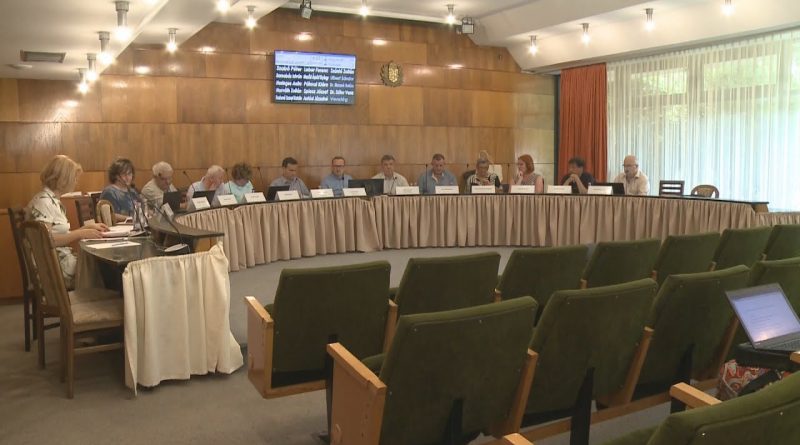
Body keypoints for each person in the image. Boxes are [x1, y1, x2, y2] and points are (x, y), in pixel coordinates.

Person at [27, 155, 108, 289]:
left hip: (60, 260)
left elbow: (57, 234)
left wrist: (85, 229)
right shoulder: (44, 202)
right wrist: (81, 234)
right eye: (74, 178)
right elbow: (46, 239)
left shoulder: (51, 200)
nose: (76, 181)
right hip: (52, 268)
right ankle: (98, 300)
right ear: (62, 179)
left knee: (99, 264)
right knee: (104, 268)